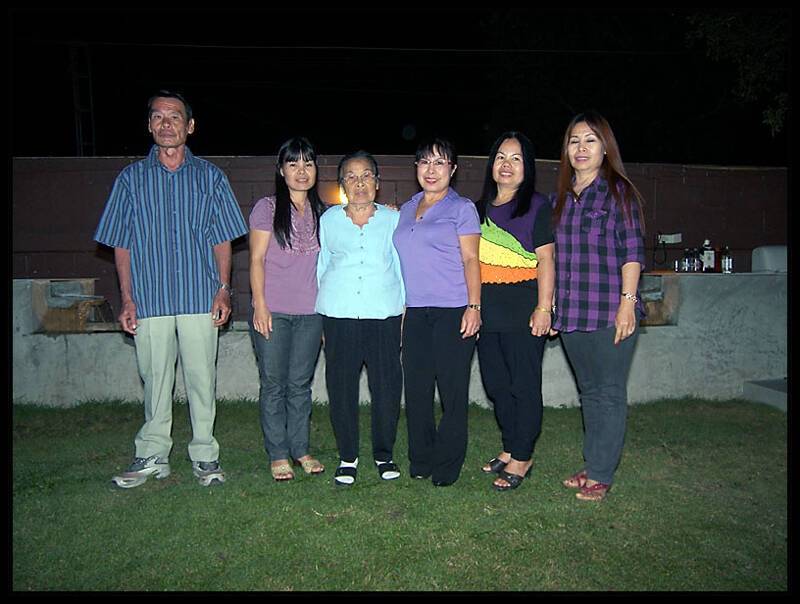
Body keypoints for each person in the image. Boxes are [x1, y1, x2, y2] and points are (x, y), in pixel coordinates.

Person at [95, 90, 248, 488]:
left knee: (202, 381)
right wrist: (127, 299)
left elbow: (222, 239)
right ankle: (152, 455)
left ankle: (205, 456)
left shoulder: (211, 177)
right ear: (149, 125)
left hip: (200, 296)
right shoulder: (130, 179)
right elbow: (121, 243)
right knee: (155, 382)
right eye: (158, 117)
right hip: (150, 298)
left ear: (190, 126)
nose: (166, 124)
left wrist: (224, 289)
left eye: (175, 117)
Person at [550, 111, 646, 502]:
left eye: (590, 140)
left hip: (610, 312)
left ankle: (602, 473)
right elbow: (555, 257)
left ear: (605, 147)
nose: (581, 148)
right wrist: (551, 304)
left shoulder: (618, 192)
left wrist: (628, 303)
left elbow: (633, 252)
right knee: (588, 393)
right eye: (574, 140)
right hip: (573, 313)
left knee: (608, 393)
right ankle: (593, 464)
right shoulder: (561, 198)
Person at [392, 137, 481, 487]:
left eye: (440, 162)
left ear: (452, 169)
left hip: (453, 310)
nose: (431, 170)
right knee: (416, 391)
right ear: (416, 167)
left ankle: (447, 464)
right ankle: (421, 459)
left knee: (452, 394)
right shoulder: (405, 208)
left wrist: (474, 306)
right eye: (425, 162)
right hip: (414, 313)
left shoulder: (462, 209)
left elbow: (471, 259)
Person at [316, 151, 405, 486]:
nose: (359, 183)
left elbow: (401, 268)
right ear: (342, 185)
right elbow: (323, 267)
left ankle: (384, 454)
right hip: (339, 315)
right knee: (341, 388)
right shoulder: (329, 220)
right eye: (351, 177)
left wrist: (403, 313)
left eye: (366, 175)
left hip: (383, 314)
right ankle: (348, 457)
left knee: (386, 387)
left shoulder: (393, 220)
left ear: (377, 182)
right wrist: (323, 315)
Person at [475, 132, 555, 491]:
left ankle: (523, 455)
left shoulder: (538, 206)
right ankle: (509, 447)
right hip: (487, 309)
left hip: (524, 307)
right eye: (500, 157)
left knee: (523, 385)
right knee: (496, 384)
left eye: (516, 158)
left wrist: (544, 307)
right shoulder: (477, 209)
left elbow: (546, 259)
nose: (506, 165)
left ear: (528, 167)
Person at [248, 137, 327, 482]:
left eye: (308, 163)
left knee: (300, 385)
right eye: (293, 163)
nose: (301, 170)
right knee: (273, 385)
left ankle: (300, 449)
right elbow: (256, 259)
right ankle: (278, 453)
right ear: (281, 170)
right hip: (274, 311)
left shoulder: (324, 212)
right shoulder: (266, 208)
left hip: (311, 314)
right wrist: (260, 305)